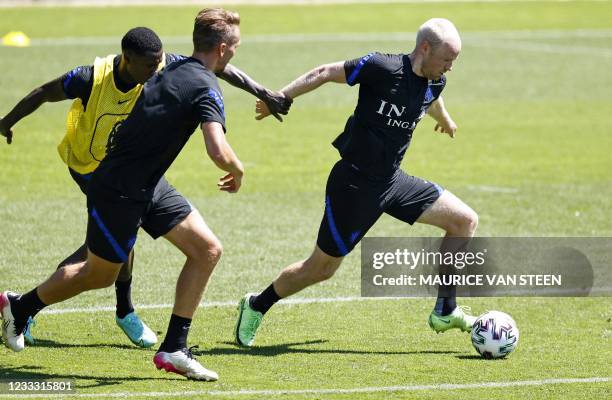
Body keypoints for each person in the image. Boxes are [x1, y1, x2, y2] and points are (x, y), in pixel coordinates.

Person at [2, 8, 253, 381]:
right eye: (234, 47)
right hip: (117, 189)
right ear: (222, 48)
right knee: (99, 274)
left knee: (207, 250)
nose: (235, 52)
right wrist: (237, 169)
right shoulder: (203, 86)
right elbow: (217, 150)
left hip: (148, 185)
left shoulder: (172, 67)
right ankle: (19, 307)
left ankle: (174, 349)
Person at [235, 18, 478, 348]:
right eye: (446, 60)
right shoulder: (382, 67)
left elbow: (430, 98)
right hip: (354, 185)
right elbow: (325, 72)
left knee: (464, 221)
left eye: (453, 61)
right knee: (321, 269)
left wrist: (445, 120)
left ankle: (445, 309)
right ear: (424, 49)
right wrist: (282, 96)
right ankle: (256, 304)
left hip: (393, 183)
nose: (449, 68)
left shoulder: (436, 81)